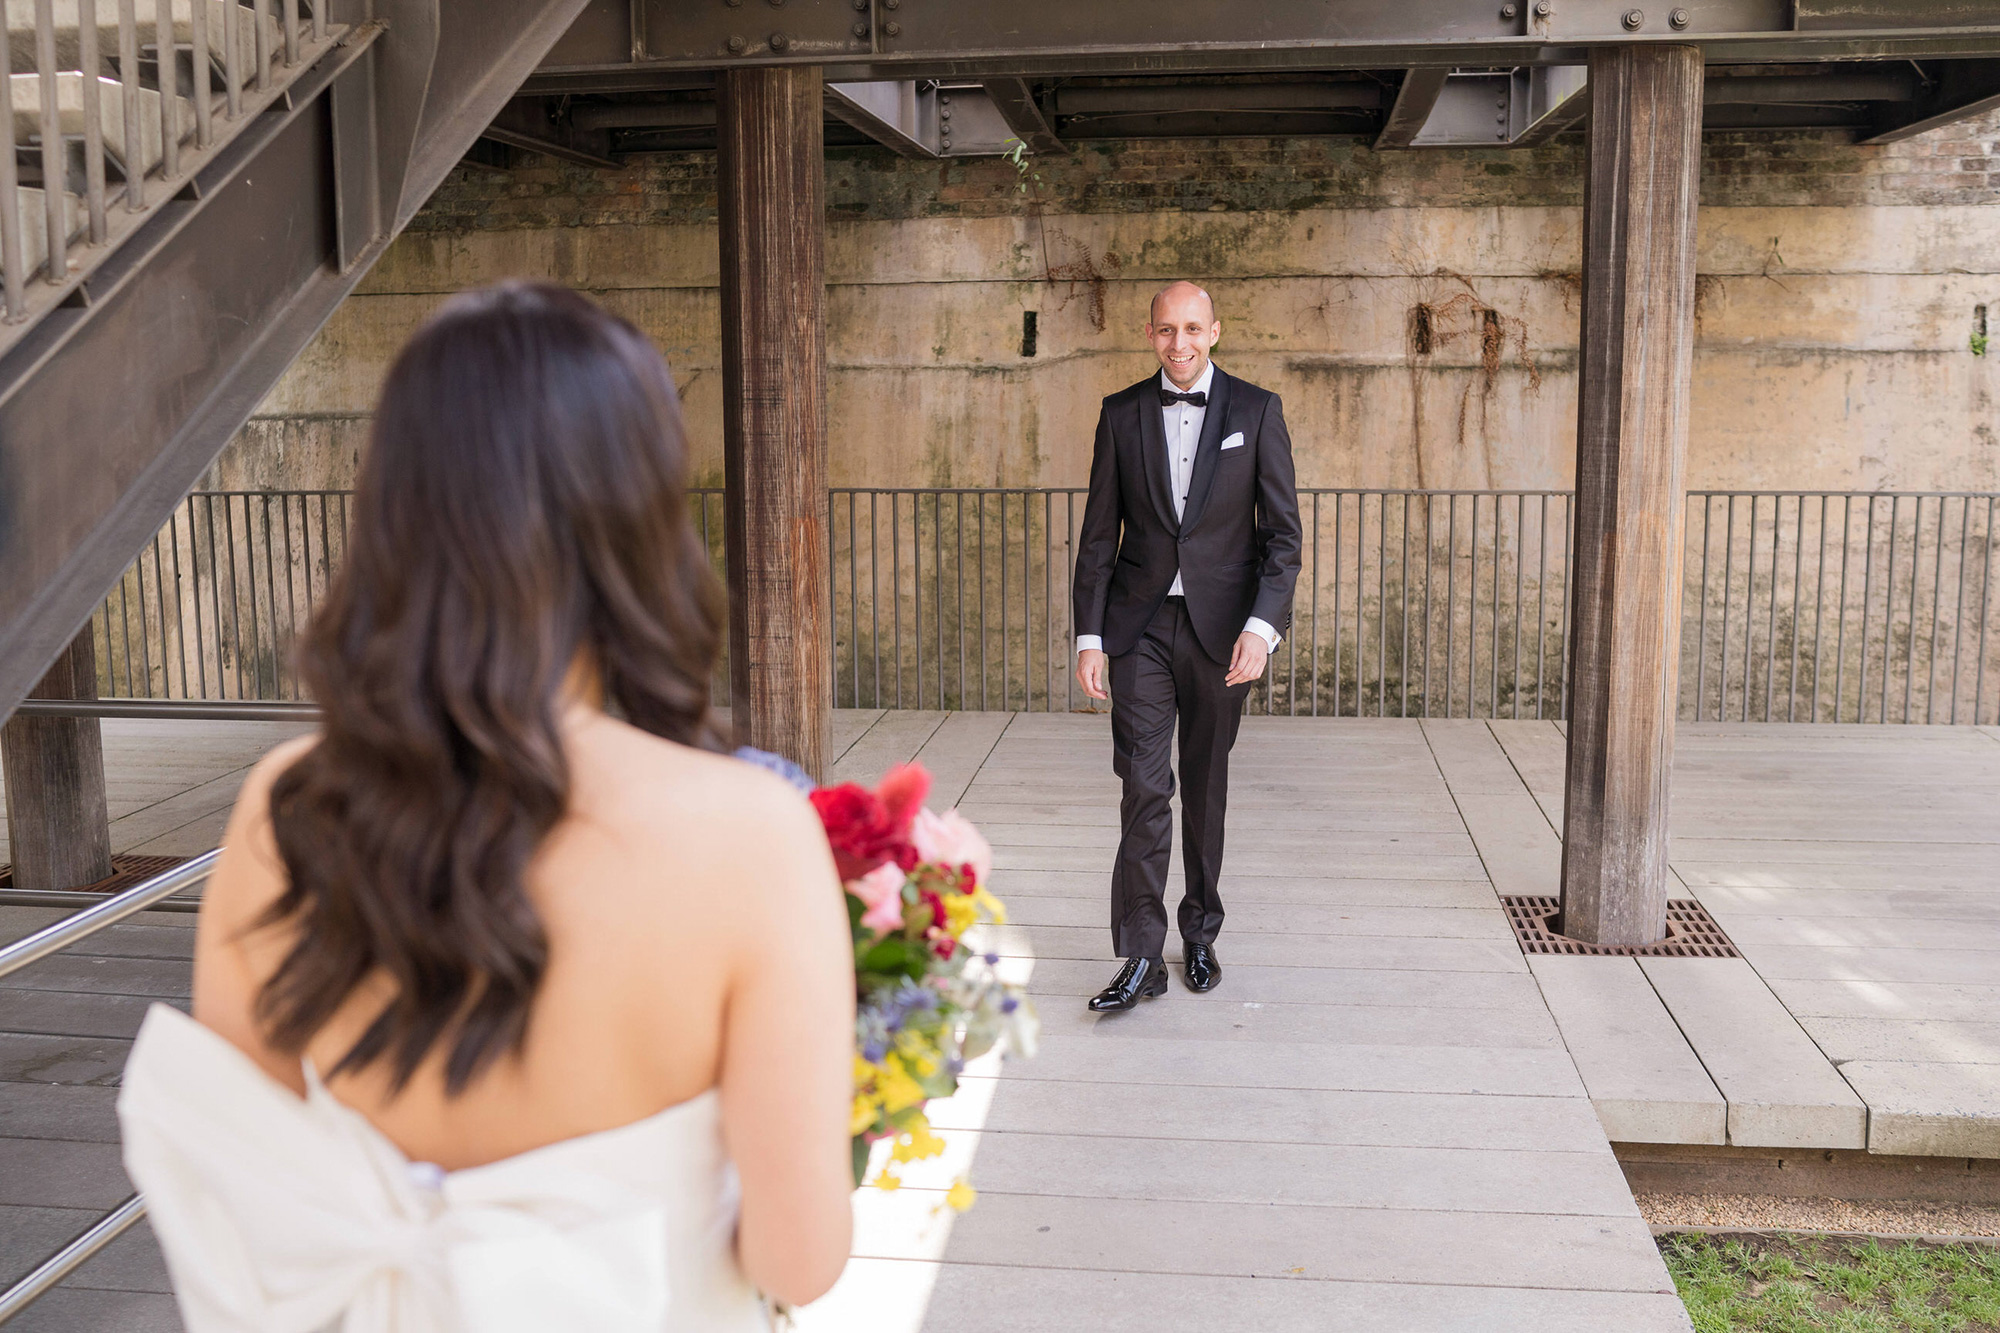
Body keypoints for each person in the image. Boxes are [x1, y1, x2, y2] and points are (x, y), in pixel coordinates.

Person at [116, 282, 856, 1331]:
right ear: (638, 514)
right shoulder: (750, 835)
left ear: (396, 507)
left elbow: (246, 1177)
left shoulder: (282, 810)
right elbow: (800, 1256)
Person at [1071, 280, 1302, 1012]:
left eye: (1192, 328)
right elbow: (1098, 536)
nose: (1180, 343)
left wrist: (1262, 629)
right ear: (1150, 334)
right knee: (1144, 786)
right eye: (1167, 329)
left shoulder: (1257, 411)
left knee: (1204, 785)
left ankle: (1199, 930)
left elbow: (1283, 539)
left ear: (1215, 331)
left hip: (1222, 633)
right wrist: (1089, 635)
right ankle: (1141, 955)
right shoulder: (1121, 415)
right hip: (1138, 630)